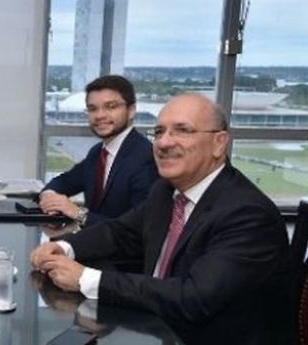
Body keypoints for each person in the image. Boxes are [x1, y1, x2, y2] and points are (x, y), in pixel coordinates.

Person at [30, 93, 290, 344]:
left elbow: (193, 298)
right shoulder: (165, 191)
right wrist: (64, 247)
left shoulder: (248, 214)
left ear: (219, 143)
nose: (164, 143)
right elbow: (120, 232)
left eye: (182, 130)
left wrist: (86, 279)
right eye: (159, 132)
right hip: (154, 327)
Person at [39, 75, 158, 226]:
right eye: (93, 109)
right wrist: (49, 198)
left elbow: (138, 229)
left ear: (131, 110)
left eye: (111, 107)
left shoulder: (146, 157)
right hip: (91, 240)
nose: (100, 115)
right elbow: (64, 181)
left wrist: (78, 213)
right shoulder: (98, 153)